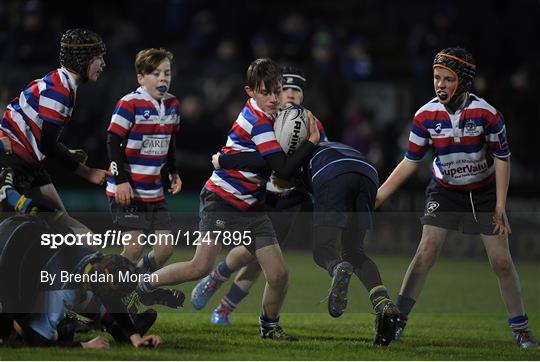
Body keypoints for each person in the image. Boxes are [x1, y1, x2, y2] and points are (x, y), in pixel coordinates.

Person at [135, 58, 320, 341]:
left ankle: (269, 327)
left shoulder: (276, 113)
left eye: (276, 90)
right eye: (265, 92)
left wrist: (227, 159)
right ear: (250, 92)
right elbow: (281, 167)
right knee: (200, 266)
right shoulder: (258, 121)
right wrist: (311, 141)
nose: (273, 98)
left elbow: (267, 161)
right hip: (221, 199)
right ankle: (143, 283)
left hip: (252, 206)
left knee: (279, 274)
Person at [375, 46, 539, 349]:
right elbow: (410, 161)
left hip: (484, 191)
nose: (440, 84)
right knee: (426, 252)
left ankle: (521, 330)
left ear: (463, 80)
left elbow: (503, 158)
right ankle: (398, 321)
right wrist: (380, 195)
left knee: (502, 262)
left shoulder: (487, 114)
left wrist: (500, 205)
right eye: (436, 77)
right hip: (445, 190)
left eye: (448, 79)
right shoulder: (424, 116)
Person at [190, 65, 327, 325]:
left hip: (290, 201)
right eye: (284, 90)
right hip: (264, 197)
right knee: (249, 255)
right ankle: (216, 280)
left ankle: (223, 307)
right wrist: (230, 161)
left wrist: (228, 161)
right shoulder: (271, 118)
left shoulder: (311, 125)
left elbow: (313, 161)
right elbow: (262, 158)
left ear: (302, 96)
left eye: (295, 91)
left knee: (257, 263)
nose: (289, 96)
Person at [0, 214, 178, 348]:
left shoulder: (94, 259)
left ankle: (84, 324)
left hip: (15, 230)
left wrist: (135, 337)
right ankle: (64, 326)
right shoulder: (62, 289)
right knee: (26, 327)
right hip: (14, 259)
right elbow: (38, 341)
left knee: (84, 298)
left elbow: (107, 292)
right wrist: (84, 346)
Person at [0, 28, 111, 232]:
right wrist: (88, 172)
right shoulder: (59, 92)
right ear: (83, 60)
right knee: (67, 236)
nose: (103, 64)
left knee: (75, 234)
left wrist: (66, 152)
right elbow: (47, 145)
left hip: (29, 164)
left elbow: (41, 137)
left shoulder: (62, 83)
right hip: (12, 164)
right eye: (98, 58)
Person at [105, 48, 182, 274]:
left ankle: (134, 285)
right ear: (141, 78)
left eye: (166, 73)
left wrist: (173, 171)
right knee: (134, 248)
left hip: (153, 190)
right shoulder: (129, 103)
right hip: (128, 188)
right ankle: (101, 291)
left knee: (165, 250)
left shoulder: (173, 104)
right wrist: (120, 180)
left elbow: (170, 140)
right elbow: (112, 141)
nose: (163, 78)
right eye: (156, 73)